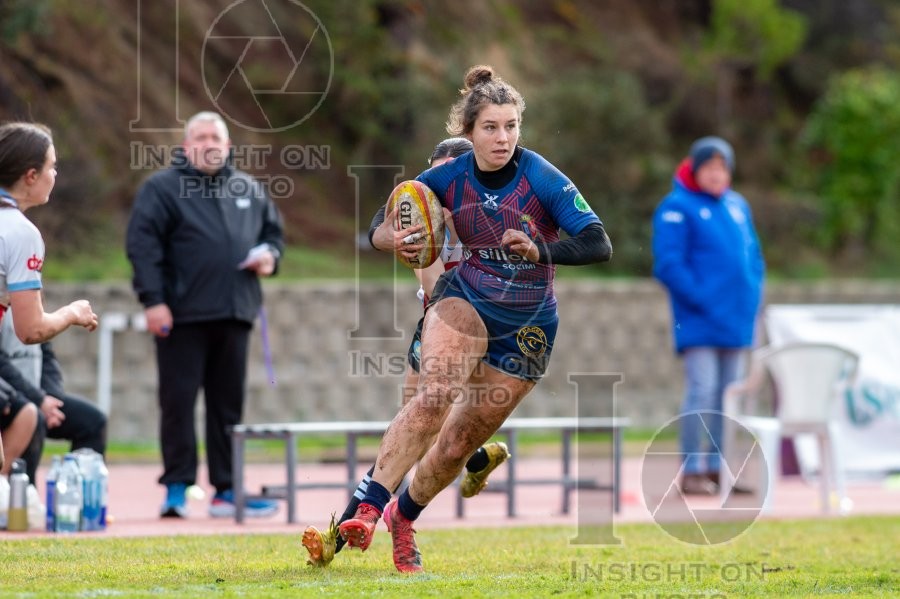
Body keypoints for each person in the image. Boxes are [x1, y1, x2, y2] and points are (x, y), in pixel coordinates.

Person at [336, 65, 612, 573]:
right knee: (435, 394)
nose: (503, 138)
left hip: (528, 324)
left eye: (511, 126)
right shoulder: (447, 177)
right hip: (465, 299)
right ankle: (369, 509)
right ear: (468, 132)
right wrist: (387, 238)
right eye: (490, 127)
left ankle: (403, 517)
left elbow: (598, 242)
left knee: (460, 444)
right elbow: (386, 216)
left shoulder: (541, 176)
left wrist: (541, 250)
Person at [301, 137, 511, 567]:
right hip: (437, 325)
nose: (441, 184)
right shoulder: (421, 210)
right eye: (435, 173)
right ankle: (475, 460)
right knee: (410, 431)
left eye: (452, 173)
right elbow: (392, 243)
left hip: (490, 332)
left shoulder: (492, 214)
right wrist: (399, 237)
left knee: (418, 432)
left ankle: (346, 537)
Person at [125, 111, 285, 519]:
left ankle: (226, 491)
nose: (208, 143)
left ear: (227, 146)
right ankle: (177, 488)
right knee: (177, 403)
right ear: (186, 146)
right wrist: (153, 300)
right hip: (181, 316)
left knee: (227, 407)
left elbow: (273, 235)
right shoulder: (161, 188)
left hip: (235, 312)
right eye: (200, 137)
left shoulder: (247, 188)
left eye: (215, 137)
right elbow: (143, 247)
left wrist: (270, 257)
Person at [651, 136, 765, 496]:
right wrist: (703, 299)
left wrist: (752, 298)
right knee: (702, 391)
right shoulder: (677, 206)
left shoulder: (737, 205)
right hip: (699, 320)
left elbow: (754, 259)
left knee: (728, 397)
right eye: (710, 167)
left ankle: (719, 469)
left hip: (736, 321)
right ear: (696, 169)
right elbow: (669, 265)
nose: (717, 174)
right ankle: (691, 470)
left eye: (722, 167)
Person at [0, 121, 99, 472]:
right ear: (31, 176)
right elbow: (31, 330)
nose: (54, 175)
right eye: (52, 167)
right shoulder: (19, 233)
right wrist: (72, 313)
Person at [0, 309, 107, 484]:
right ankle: (25, 493)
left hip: (39, 396)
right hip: (9, 396)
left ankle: (77, 495)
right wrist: (39, 399)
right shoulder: (5, 305)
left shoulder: (31, 300)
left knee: (93, 422)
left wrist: (51, 398)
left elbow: (48, 357)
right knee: (35, 416)